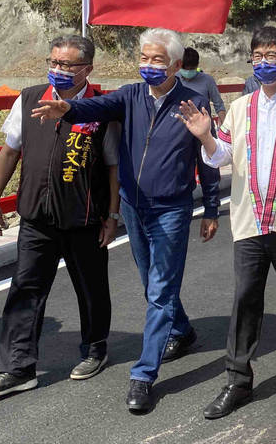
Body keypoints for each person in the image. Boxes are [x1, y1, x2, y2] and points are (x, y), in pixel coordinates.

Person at [31, 28, 221, 413]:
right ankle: (181, 329)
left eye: (156, 60)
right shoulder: (131, 95)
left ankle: (143, 374)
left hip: (171, 209)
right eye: (143, 58)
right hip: (134, 207)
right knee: (152, 280)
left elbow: (208, 158)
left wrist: (212, 208)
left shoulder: (193, 103)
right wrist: (67, 109)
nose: (147, 66)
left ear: (176, 65)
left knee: (160, 289)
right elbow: (94, 108)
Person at [179, 27, 276, 420]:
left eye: (273, 56)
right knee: (246, 297)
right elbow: (223, 158)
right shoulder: (241, 107)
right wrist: (206, 138)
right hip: (250, 220)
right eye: (259, 55)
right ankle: (238, 379)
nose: (265, 62)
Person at [0, 36, 120, 399]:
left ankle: (95, 348)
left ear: (87, 69)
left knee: (90, 288)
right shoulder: (28, 98)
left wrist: (112, 215)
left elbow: (114, 167)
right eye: (53, 62)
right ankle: (18, 368)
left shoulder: (101, 107)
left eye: (66, 65)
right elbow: (10, 151)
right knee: (25, 289)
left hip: (84, 217)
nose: (57, 70)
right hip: (36, 216)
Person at [179, 47, 227, 125]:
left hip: (204, 126)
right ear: (179, 64)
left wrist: (225, 126)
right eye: (185, 69)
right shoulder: (174, 79)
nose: (188, 72)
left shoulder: (208, 80)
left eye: (191, 69)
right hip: (181, 125)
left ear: (197, 65)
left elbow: (219, 104)